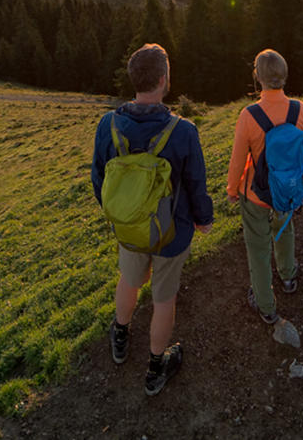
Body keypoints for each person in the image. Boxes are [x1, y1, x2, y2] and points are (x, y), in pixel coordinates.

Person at [91, 43, 213, 396]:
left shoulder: (108, 124)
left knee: (129, 280)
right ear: (163, 80)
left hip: (128, 229)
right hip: (171, 234)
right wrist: (203, 220)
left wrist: (120, 214)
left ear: (134, 79)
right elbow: (195, 185)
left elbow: (99, 178)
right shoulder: (184, 131)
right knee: (164, 298)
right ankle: (156, 367)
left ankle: (120, 335)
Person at [226, 48, 303, 324]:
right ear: (284, 76)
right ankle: (288, 277)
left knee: (258, 248)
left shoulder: (249, 115)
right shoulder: (301, 109)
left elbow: (238, 160)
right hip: (288, 188)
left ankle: (265, 305)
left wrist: (231, 190)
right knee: (285, 230)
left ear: (257, 78)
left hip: (256, 195)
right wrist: (300, 186)